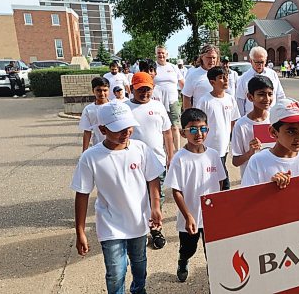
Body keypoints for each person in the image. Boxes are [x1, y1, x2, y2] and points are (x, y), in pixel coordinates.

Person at [71, 101, 163, 294]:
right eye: (118, 129)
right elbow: (82, 194)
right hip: (110, 224)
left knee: (139, 263)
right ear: (103, 129)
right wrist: (80, 231)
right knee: (115, 271)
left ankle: (139, 288)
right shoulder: (90, 157)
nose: (126, 132)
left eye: (128, 126)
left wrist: (155, 207)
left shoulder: (141, 149)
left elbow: (153, 179)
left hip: (138, 220)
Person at [164, 108, 226, 282]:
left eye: (203, 128)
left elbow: (220, 181)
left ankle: (215, 279)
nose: (199, 133)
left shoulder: (213, 155)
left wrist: (217, 208)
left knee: (212, 251)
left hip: (211, 217)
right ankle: (183, 261)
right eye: (193, 129)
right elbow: (176, 191)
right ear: (184, 133)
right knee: (188, 248)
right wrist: (188, 215)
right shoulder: (180, 159)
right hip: (189, 218)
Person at [125, 72, 174, 250]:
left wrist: (171, 155)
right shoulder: (124, 108)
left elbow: (167, 132)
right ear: (132, 89)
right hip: (133, 165)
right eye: (140, 90)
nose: (144, 93)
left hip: (157, 161)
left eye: (148, 89)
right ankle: (140, 231)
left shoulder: (158, 106)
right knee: (137, 198)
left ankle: (156, 229)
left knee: (156, 198)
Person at [198, 66, 240, 190]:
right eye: (221, 78)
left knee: (220, 173)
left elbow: (233, 121)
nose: (225, 80)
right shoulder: (204, 101)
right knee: (216, 176)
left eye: (226, 76)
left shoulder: (230, 99)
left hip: (224, 145)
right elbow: (199, 124)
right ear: (212, 82)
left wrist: (229, 139)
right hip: (209, 145)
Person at [231, 75, 273, 176]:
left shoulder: (275, 120)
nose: (267, 99)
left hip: (274, 176)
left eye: (270, 94)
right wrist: (250, 152)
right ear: (250, 97)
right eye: (261, 94)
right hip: (252, 178)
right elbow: (236, 161)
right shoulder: (241, 125)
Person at [235, 46, 286, 116]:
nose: (260, 65)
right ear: (251, 61)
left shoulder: (272, 74)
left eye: (262, 62)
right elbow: (240, 101)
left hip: (271, 117)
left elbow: (280, 95)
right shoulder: (244, 78)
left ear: (266, 60)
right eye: (257, 62)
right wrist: (241, 119)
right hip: (252, 119)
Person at [155, 45, 185, 151]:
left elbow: (182, 83)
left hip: (173, 101)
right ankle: (165, 150)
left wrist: (187, 96)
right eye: (159, 53)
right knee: (160, 127)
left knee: (175, 126)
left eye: (163, 53)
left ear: (167, 55)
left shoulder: (173, 67)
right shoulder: (153, 67)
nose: (161, 55)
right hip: (158, 103)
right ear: (156, 54)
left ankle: (177, 150)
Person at [182, 44, 219, 110]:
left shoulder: (221, 75)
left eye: (214, 58)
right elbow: (186, 98)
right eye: (209, 57)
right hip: (200, 117)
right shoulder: (193, 75)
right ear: (202, 57)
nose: (211, 60)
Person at [79, 77, 109, 152]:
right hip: (98, 147)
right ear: (93, 91)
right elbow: (87, 131)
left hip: (116, 147)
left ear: (109, 90)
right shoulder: (88, 109)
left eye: (105, 90)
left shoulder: (115, 106)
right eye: (98, 90)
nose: (102, 93)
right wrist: (84, 152)